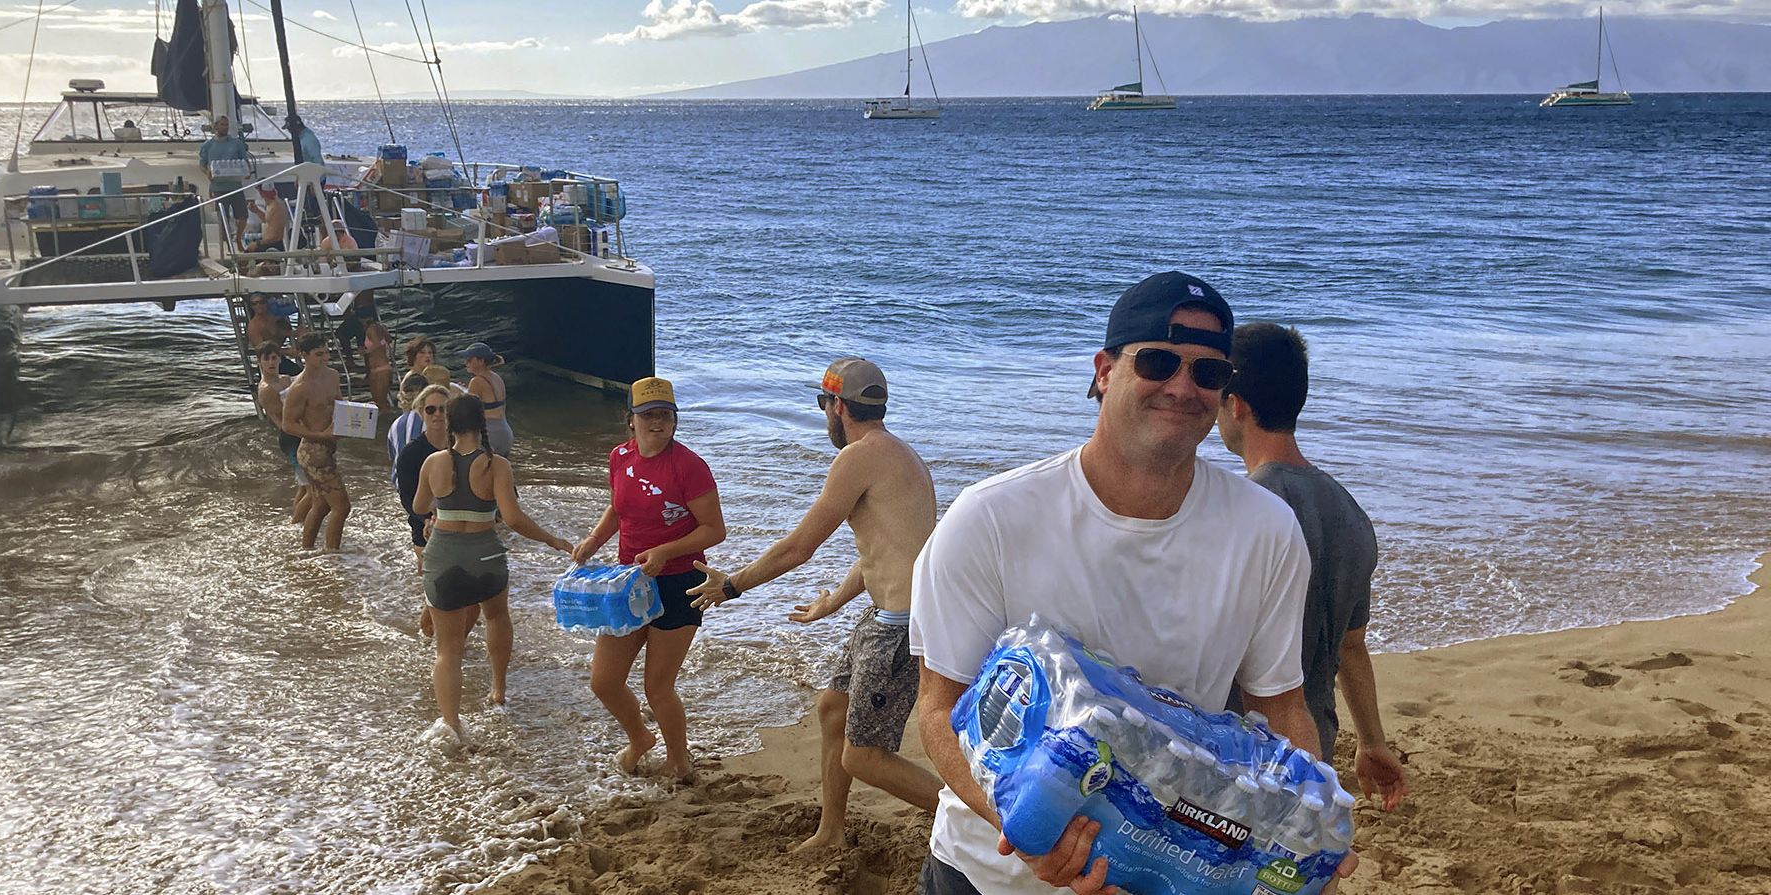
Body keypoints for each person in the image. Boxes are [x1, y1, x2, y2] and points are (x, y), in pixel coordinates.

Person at [908, 271, 1355, 895]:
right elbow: (939, 710)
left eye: (1208, 373)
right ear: (1103, 371)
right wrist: (1028, 834)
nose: (1182, 387)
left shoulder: (1266, 530)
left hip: (1159, 870)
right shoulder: (990, 518)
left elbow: (1280, 706)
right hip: (989, 874)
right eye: (1158, 361)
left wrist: (1307, 836)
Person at [687, 357, 944, 852]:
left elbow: (799, 546)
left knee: (864, 757)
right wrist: (835, 602)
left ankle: (977, 822)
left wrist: (733, 585)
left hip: (900, 626)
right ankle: (831, 832)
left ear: (838, 406)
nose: (824, 412)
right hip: (887, 616)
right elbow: (886, 548)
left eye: (823, 403)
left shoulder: (859, 457)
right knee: (832, 709)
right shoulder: (898, 454)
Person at [1218, 322, 1408, 810]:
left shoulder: (1242, 510)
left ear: (1235, 405)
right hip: (1313, 751)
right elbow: (1352, 646)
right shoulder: (1349, 513)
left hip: (1237, 750)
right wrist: (1371, 743)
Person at [570, 377, 725, 779]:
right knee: (603, 681)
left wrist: (665, 552)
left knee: (657, 687)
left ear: (674, 420)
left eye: (665, 415)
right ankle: (640, 738)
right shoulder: (620, 456)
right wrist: (593, 540)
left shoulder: (689, 466)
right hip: (628, 583)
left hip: (679, 584)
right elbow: (618, 509)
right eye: (648, 415)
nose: (657, 422)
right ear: (630, 420)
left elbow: (713, 529)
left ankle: (680, 760)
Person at [412, 394, 574, 747]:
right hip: (486, 557)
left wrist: (438, 510)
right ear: (482, 424)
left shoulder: (433, 462)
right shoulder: (496, 464)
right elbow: (513, 518)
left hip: (444, 558)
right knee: (497, 617)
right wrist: (553, 540)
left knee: (447, 649)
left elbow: (419, 505)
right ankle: (498, 689)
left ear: (451, 424)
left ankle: (451, 725)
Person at [283, 333, 351, 552]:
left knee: (321, 505)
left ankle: (307, 549)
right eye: (319, 354)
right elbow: (288, 424)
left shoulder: (332, 375)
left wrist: (357, 414)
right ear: (304, 356)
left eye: (327, 352)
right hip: (313, 451)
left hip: (326, 448)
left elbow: (339, 404)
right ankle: (333, 553)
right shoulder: (299, 387)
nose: (325, 358)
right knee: (342, 507)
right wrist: (321, 435)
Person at [396, 384, 451, 640]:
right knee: (440, 585)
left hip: (461, 527)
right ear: (420, 413)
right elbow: (408, 500)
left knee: (448, 588)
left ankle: (436, 637)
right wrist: (430, 521)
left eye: (443, 409)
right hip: (424, 529)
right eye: (431, 409)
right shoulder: (411, 454)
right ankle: (429, 636)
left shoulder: (461, 445)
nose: (438, 414)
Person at [254, 340, 310, 523]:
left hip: (299, 431)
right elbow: (279, 421)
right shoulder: (266, 390)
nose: (271, 363)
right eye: (267, 359)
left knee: (304, 485)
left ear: (280, 359)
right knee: (310, 486)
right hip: (290, 436)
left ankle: (298, 522)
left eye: (274, 358)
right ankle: (297, 523)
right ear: (259, 362)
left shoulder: (285, 379)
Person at [198, 115, 251, 247]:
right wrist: (207, 172)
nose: (225, 127)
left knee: (243, 215)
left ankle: (238, 238)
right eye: (222, 124)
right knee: (223, 217)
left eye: (226, 124)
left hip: (235, 185)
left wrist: (247, 171)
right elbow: (202, 164)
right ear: (215, 126)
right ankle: (228, 243)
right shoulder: (207, 145)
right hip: (218, 187)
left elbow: (244, 160)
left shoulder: (237, 143)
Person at [461, 342, 514, 458]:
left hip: (490, 435)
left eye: (469, 359)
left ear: (481, 361)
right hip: (505, 433)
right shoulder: (496, 377)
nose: (466, 362)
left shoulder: (476, 381)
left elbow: (467, 411)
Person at [386, 373, 432, 473]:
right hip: (425, 479)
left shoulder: (395, 424)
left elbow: (393, 456)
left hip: (400, 482)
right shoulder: (431, 420)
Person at [248, 186, 290, 253]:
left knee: (245, 256)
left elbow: (277, 237)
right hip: (268, 243)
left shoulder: (276, 207)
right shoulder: (270, 205)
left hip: (274, 245)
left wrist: (257, 243)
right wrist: (256, 211)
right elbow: (268, 221)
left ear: (261, 193)